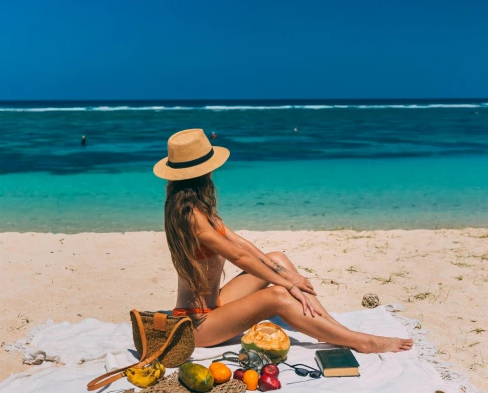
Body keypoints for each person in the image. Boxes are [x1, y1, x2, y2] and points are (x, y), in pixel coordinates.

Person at [153, 129, 413, 353]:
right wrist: (287, 282)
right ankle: (362, 342)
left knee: (277, 258)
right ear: (205, 171)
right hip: (197, 324)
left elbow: (241, 244)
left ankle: (329, 327)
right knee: (278, 294)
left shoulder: (196, 207)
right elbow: (239, 258)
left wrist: (283, 272)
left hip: (215, 306)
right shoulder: (190, 218)